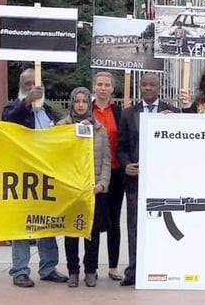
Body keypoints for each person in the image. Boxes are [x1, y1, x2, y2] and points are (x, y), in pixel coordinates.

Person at [1, 69, 70, 288]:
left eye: (35, 84)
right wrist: (26, 103)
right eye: (27, 84)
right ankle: (20, 270)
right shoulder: (12, 107)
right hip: (22, 175)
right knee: (22, 223)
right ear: (21, 86)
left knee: (47, 222)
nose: (32, 87)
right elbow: (9, 122)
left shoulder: (48, 111)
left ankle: (48, 267)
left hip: (46, 175)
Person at [118, 74, 178, 286]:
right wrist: (126, 165)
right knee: (134, 226)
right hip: (136, 181)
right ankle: (133, 270)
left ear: (159, 87)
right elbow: (122, 147)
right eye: (144, 85)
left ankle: (162, 266)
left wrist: (175, 121)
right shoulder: (128, 114)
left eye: (152, 85)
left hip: (163, 181)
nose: (148, 88)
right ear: (139, 88)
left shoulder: (172, 112)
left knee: (163, 225)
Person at [59, 87, 112, 288]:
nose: (80, 105)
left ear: (89, 104)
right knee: (71, 232)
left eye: (84, 101)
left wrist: (102, 184)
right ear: (72, 103)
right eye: (77, 101)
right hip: (71, 189)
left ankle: (91, 270)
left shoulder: (99, 129)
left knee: (92, 231)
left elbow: (106, 160)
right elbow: (56, 158)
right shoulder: (62, 127)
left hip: (93, 189)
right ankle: (73, 271)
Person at [90, 71, 125, 282]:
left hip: (116, 172)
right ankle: (91, 268)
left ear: (112, 88)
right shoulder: (86, 110)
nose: (103, 88)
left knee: (114, 221)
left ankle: (113, 267)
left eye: (107, 85)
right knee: (93, 221)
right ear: (94, 86)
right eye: (100, 84)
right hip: (93, 173)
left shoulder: (119, 112)